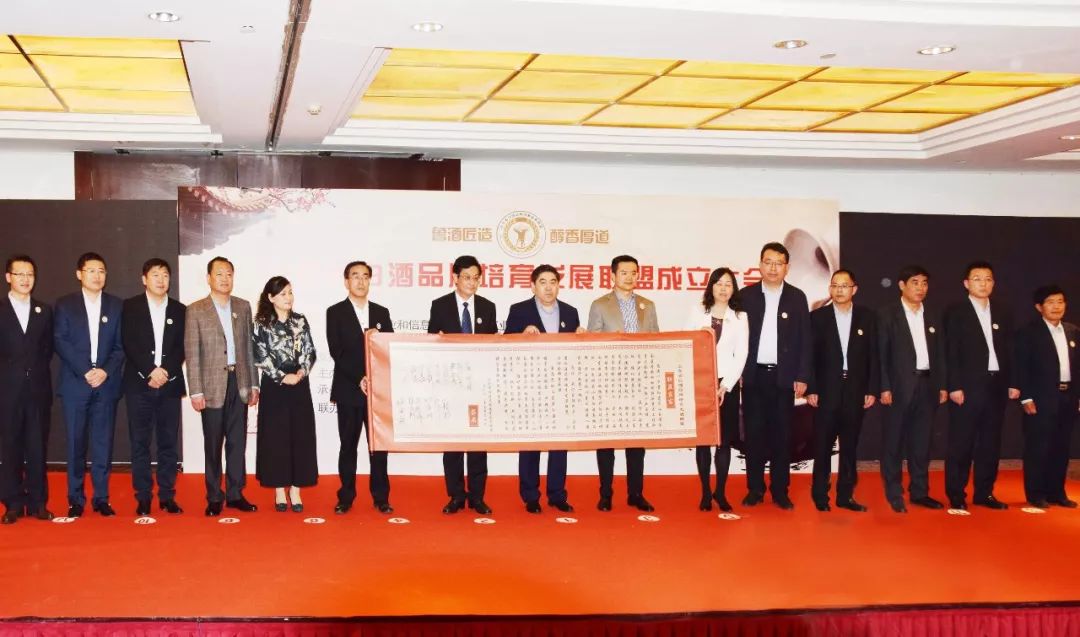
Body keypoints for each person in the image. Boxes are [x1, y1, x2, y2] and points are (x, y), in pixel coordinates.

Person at [505, 264, 584, 514]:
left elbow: (577, 353)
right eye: (543, 282)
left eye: (553, 282)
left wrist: (582, 336)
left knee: (559, 444)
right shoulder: (519, 311)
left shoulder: (570, 312)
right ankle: (530, 495)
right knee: (531, 443)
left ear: (558, 285)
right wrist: (521, 334)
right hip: (531, 388)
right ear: (532, 286)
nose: (549, 287)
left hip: (561, 388)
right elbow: (504, 345)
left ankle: (557, 494)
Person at [184, 256, 260, 517]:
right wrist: (196, 390)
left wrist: (253, 383)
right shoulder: (196, 310)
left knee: (237, 442)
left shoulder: (243, 306)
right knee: (213, 443)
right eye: (219, 274)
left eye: (229, 274)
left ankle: (236, 493)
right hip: (211, 386)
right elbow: (192, 353)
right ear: (208, 278)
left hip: (239, 382)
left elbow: (249, 349)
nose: (225, 278)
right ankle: (215, 496)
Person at [739, 242, 811, 510]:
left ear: (787, 268)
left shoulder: (797, 297)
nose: (773, 268)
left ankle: (780, 491)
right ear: (759, 265)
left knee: (782, 436)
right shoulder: (746, 296)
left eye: (779, 263)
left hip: (784, 378)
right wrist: (738, 372)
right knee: (754, 436)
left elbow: (805, 339)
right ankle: (755, 489)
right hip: (753, 377)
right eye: (768, 262)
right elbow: (736, 339)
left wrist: (803, 375)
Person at [54, 252, 124, 518]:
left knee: (103, 443)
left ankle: (101, 498)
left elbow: (121, 346)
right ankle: (75, 498)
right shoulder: (65, 304)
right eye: (91, 270)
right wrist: (86, 371)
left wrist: (104, 371)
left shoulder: (116, 305)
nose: (97, 276)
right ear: (79, 274)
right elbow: (60, 341)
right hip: (76, 383)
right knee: (75, 443)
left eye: (101, 271)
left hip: (106, 384)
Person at [943, 261, 1018, 511]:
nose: (983, 284)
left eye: (988, 279)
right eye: (977, 279)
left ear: (993, 283)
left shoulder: (1003, 311)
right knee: (961, 443)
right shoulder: (955, 311)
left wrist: (1013, 382)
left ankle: (984, 493)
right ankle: (956, 493)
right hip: (967, 388)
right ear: (966, 283)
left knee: (990, 443)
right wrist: (954, 385)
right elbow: (950, 351)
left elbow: (1011, 350)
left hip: (996, 386)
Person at [588, 254, 659, 512]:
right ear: (613, 275)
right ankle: (605, 494)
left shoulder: (648, 306)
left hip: (639, 382)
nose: (630, 277)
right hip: (609, 382)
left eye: (634, 272)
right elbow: (592, 343)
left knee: (636, 443)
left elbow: (656, 342)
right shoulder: (600, 305)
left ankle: (635, 493)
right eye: (624, 272)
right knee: (607, 442)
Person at [428, 255, 497, 515]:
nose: (472, 282)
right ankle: (456, 496)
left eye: (476, 278)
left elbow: (493, 344)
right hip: (451, 386)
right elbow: (431, 342)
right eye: (466, 277)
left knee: (478, 444)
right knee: (453, 444)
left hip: (479, 385)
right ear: (455, 277)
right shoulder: (440, 305)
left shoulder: (488, 307)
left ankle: (477, 497)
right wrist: (438, 340)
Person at [805, 269, 878, 512]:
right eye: (835, 285)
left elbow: (874, 356)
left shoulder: (867, 317)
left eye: (844, 286)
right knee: (822, 446)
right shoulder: (817, 317)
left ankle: (845, 496)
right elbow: (809, 357)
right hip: (826, 390)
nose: (839, 290)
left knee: (849, 446)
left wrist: (871, 389)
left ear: (854, 289)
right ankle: (820, 495)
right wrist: (811, 388)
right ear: (830, 289)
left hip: (855, 389)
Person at [877, 265, 947, 513]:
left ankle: (919, 492)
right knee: (893, 442)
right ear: (902, 285)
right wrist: (884, 387)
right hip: (898, 387)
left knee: (921, 443)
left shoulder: (933, 314)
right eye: (915, 282)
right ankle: (894, 492)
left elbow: (941, 354)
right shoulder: (887, 314)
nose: (921, 288)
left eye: (924, 283)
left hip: (928, 385)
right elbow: (881, 355)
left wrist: (943, 385)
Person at [327, 261, 394, 515]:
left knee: (378, 448)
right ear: (346, 281)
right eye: (355, 276)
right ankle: (346, 496)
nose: (360, 281)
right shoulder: (335, 312)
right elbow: (337, 352)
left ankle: (381, 497)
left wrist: (374, 376)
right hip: (348, 389)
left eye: (365, 276)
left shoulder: (381, 312)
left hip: (377, 392)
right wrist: (360, 378)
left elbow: (389, 348)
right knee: (348, 446)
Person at [121, 258, 186, 517]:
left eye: (165, 275)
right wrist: (150, 370)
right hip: (139, 384)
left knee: (168, 443)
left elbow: (182, 346)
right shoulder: (130, 307)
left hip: (169, 384)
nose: (161, 280)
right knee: (140, 443)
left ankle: (167, 495)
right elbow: (129, 342)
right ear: (144, 279)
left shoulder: (180, 310)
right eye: (155, 275)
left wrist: (164, 371)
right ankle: (143, 496)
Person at [684, 267, 747, 512]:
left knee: (724, 441)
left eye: (728, 284)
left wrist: (726, 385)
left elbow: (741, 354)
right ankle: (705, 492)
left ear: (734, 289)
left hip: (726, 385)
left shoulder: (740, 317)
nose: (723, 288)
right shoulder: (698, 312)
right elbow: (686, 343)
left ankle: (720, 491)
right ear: (711, 286)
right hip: (701, 382)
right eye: (719, 283)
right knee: (703, 440)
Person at [253, 277, 318, 512]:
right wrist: (281, 376)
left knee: (301, 436)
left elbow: (310, 351)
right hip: (275, 386)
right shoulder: (261, 324)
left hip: (299, 384)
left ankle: (296, 490)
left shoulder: (300, 320)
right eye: (282, 294)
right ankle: (280, 489)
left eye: (290, 292)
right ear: (271, 298)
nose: (288, 297)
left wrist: (302, 371)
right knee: (276, 438)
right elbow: (259, 355)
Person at [1014, 285, 1079, 508]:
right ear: (1039, 307)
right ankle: (1036, 493)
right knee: (1038, 447)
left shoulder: (1072, 331)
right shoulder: (1028, 333)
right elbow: (1021, 367)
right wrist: (1026, 397)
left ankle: (1057, 492)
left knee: (1062, 446)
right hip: (1040, 398)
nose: (1056, 306)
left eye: (1060, 302)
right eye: (1050, 302)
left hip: (1068, 396)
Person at [0, 255, 54, 524]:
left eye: (30, 274)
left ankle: (37, 502)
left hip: (37, 390)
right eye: (19, 274)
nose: (25, 279)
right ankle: (12, 503)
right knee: (9, 447)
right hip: (7, 391)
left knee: (37, 447)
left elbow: (47, 350)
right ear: (8, 277)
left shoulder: (44, 310)